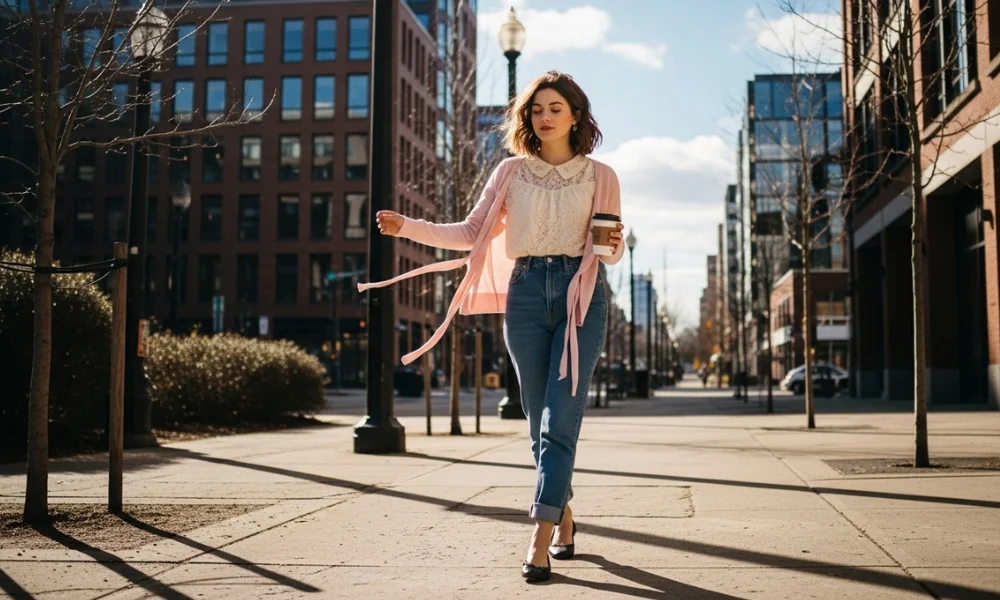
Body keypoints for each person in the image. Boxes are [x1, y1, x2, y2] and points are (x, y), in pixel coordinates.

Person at [362, 71, 624, 583]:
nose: (543, 117)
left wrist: (615, 242)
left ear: (575, 115)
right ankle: (565, 515)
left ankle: (540, 536)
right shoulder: (509, 173)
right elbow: (471, 233)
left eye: (554, 108)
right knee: (535, 421)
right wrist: (407, 226)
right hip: (525, 293)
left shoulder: (602, 175)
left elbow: (608, 253)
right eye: (535, 110)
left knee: (560, 419)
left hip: (581, 296)